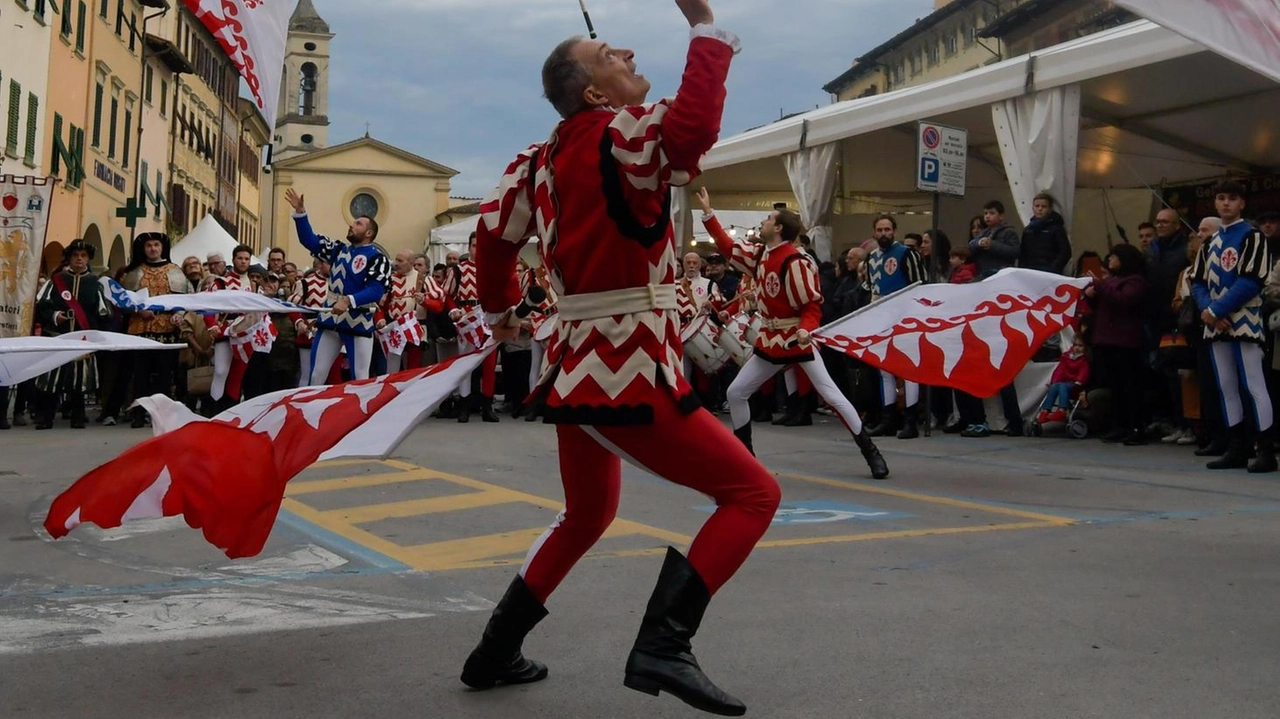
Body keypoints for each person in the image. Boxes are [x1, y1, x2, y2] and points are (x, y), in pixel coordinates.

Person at [468, 3, 781, 713]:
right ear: (595, 94)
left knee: (585, 514)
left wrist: (497, 314)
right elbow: (692, 129)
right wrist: (703, 24)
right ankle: (664, 644)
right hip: (627, 369)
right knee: (754, 493)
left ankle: (493, 650)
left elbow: (491, 241)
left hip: (571, 365)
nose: (631, 53)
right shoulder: (624, 134)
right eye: (612, 53)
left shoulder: (533, 162)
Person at [700, 188, 889, 479]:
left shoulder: (795, 261)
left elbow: (812, 306)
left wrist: (805, 330)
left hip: (794, 338)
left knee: (832, 396)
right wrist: (709, 215)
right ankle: (745, 459)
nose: (762, 222)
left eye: (768, 219)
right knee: (736, 392)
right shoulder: (763, 254)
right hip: (769, 340)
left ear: (778, 228)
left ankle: (871, 452)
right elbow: (730, 249)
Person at [1190, 181, 1275, 472]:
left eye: (1232, 198)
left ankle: (1265, 451)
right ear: (1215, 203)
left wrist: (1216, 309)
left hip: (1245, 318)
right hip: (1215, 321)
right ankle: (1236, 447)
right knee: (1226, 385)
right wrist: (1208, 309)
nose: (1226, 203)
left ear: (1242, 204)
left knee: (1254, 384)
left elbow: (1251, 280)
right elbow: (1198, 281)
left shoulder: (1252, 237)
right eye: (1221, 198)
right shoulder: (1211, 242)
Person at [284, 188, 391, 385]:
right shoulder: (338, 250)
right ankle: (310, 414)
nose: (352, 224)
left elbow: (377, 290)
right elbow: (309, 240)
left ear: (368, 233)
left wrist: (349, 301)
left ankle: (360, 415)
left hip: (358, 321)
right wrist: (300, 213)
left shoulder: (377, 258)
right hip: (331, 319)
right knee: (316, 375)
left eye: (358, 223)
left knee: (360, 378)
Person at [32, 240, 111, 429]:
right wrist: (55, 315)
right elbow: (42, 305)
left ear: (88, 259)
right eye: (76, 255)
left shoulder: (94, 282)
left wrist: (94, 331)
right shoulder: (56, 280)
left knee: (79, 381)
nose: (79, 259)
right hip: (57, 336)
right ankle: (46, 416)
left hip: (82, 338)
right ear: (69, 258)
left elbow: (102, 312)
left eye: (83, 256)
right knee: (52, 379)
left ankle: (78, 416)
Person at [862, 214, 925, 439]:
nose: (883, 234)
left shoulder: (907, 254)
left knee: (909, 369)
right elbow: (873, 290)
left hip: (905, 316)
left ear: (894, 231)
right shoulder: (871, 258)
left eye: (887, 229)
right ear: (874, 232)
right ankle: (888, 419)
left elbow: (920, 286)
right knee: (884, 368)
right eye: (879, 230)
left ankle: (911, 420)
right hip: (882, 317)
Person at [118, 231, 190, 427]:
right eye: (149, 245)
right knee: (140, 374)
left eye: (156, 245)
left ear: (162, 247)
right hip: (140, 329)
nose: (152, 249)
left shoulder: (174, 270)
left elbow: (184, 299)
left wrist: (179, 314)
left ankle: (163, 414)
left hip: (166, 331)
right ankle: (139, 413)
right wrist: (138, 310)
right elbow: (122, 301)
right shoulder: (134, 272)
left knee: (164, 375)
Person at [1085, 244, 1149, 445]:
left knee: (1130, 386)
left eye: (1113, 257)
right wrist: (1092, 296)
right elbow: (1103, 305)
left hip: (1125, 342)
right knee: (1115, 388)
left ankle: (1136, 427)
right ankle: (1119, 425)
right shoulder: (1112, 281)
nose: (1109, 261)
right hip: (1107, 340)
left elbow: (1124, 300)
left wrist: (1101, 285)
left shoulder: (1135, 281)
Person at [1038, 336, 1090, 424]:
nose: (1077, 348)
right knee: (1054, 386)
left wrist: (1079, 381)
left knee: (1062, 385)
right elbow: (1060, 370)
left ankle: (1062, 410)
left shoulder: (1084, 361)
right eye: (1075, 345)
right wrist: (1054, 381)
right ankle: (1045, 410)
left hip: (1076, 386)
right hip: (1065, 384)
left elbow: (1083, 372)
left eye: (1080, 346)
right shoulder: (1066, 357)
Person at [1019, 192, 1072, 274]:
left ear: (1050, 209)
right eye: (1037, 206)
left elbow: (1065, 252)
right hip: (1030, 272)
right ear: (1032, 208)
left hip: (1050, 273)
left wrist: (1053, 269)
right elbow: (1023, 254)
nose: (1040, 209)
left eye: (1043, 206)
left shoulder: (1057, 228)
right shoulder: (1028, 230)